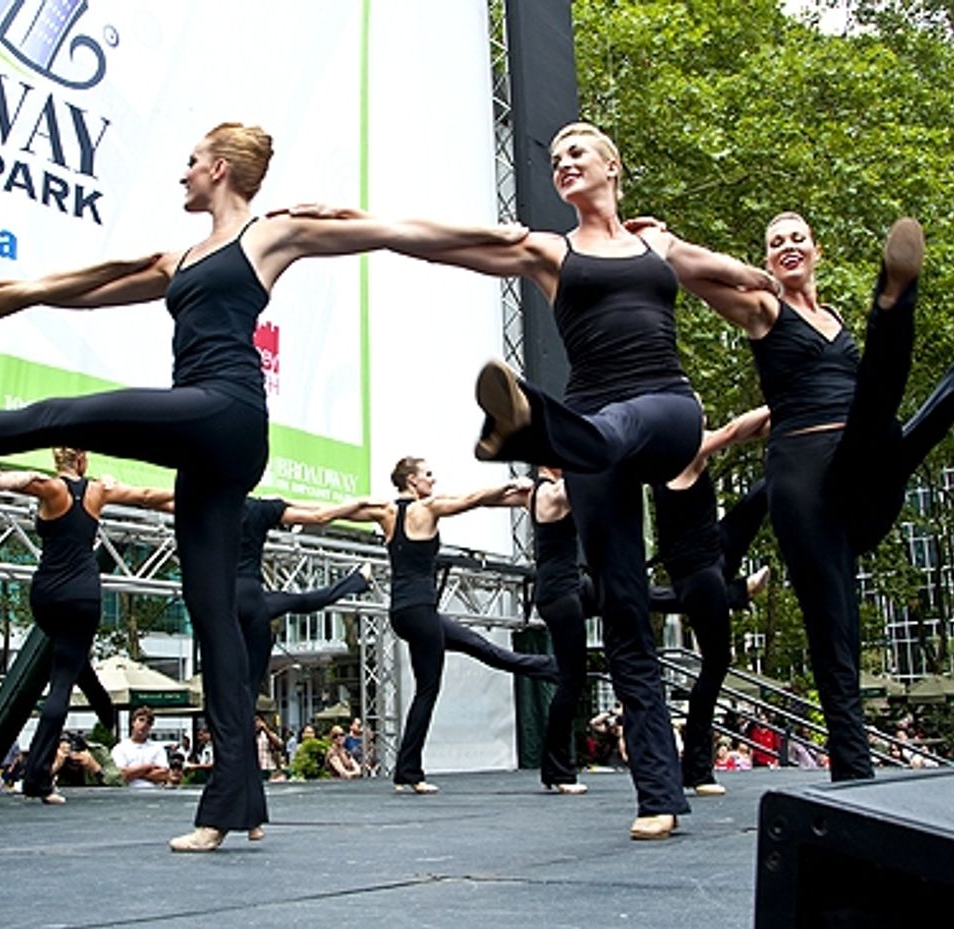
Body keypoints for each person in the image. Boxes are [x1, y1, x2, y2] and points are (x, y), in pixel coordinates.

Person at [0, 122, 522, 852]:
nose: (182, 173)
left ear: (222, 169)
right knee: (212, 617)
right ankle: (237, 800)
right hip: (202, 447)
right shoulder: (179, 256)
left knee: (53, 414)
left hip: (226, 412)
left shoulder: (269, 234)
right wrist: (11, 294)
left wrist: (511, 248)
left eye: (192, 161)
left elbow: (393, 233)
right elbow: (88, 288)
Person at [311, 123, 772, 837]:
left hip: (666, 407)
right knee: (622, 610)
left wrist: (774, 282)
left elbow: (733, 276)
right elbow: (446, 241)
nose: (563, 165)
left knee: (613, 432)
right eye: (554, 159)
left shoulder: (658, 245)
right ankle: (659, 795)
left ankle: (536, 429)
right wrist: (363, 224)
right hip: (592, 429)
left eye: (577, 153)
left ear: (613, 166)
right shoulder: (550, 251)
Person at [649, 209, 954, 781]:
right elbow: (691, 275)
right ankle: (855, 781)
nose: (788, 246)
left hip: (863, 466)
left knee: (886, 415)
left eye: (798, 238)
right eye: (775, 243)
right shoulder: (762, 309)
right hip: (805, 478)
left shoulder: (836, 320)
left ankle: (902, 304)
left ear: (817, 252)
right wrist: (663, 241)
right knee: (835, 635)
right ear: (766, 260)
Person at [347, 457, 559, 795]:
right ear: (412, 480)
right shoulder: (426, 508)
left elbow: (338, 511)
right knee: (429, 689)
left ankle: (548, 669)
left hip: (403, 613)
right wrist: (510, 484)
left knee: (479, 647)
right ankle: (409, 772)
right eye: (428, 474)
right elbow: (471, 499)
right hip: (421, 611)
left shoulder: (385, 512)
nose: (433, 479)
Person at [0, 447, 173, 805]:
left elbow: (11, 481)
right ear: (83, 460)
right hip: (82, 594)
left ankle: (94, 695)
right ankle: (37, 780)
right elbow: (147, 496)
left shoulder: (50, 488)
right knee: (63, 678)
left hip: (45, 595)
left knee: (69, 657)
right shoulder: (98, 491)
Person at [649, 405, 772, 797]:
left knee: (763, 491)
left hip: (712, 549)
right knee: (717, 662)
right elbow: (736, 429)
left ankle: (736, 592)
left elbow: (751, 432)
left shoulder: (667, 453)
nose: (704, 418)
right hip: (700, 573)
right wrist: (787, 395)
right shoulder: (685, 452)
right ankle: (698, 770)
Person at [237, 496, 373, 710]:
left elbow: (166, 501)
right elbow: (320, 515)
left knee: (227, 684)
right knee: (301, 601)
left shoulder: (211, 502)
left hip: (219, 599)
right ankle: (357, 581)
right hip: (250, 596)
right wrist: (356, 504)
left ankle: (357, 581)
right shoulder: (258, 508)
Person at [526, 466, 589, 795]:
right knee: (571, 680)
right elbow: (589, 478)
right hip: (561, 595)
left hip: (567, 589)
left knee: (625, 592)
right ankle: (559, 770)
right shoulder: (551, 492)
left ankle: (556, 768)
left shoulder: (534, 491)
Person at [112, 707, 175, 789]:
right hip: (128, 797)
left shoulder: (157, 748)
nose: (144, 724)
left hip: (153, 797)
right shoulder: (120, 748)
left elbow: (163, 775)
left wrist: (134, 773)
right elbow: (120, 776)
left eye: (148, 723)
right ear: (133, 722)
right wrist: (149, 766)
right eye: (141, 720)